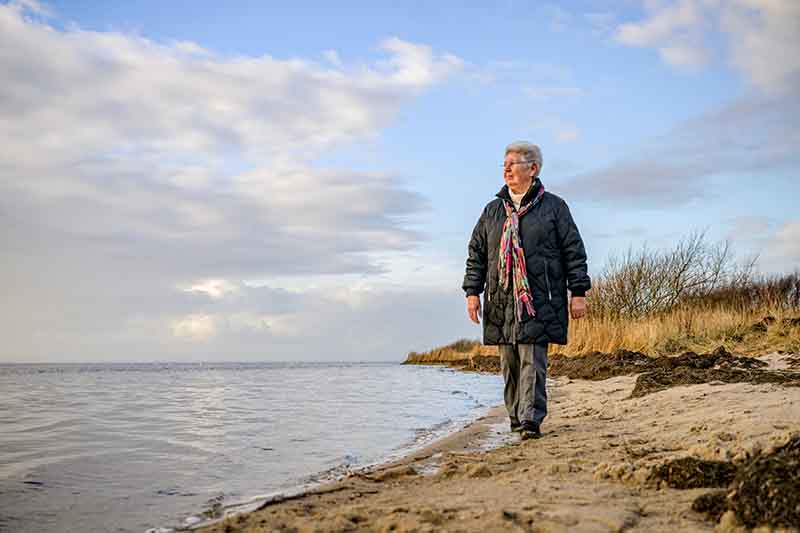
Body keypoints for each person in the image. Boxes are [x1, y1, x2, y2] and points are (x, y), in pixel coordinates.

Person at [462, 141, 590, 440]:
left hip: (539, 298)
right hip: (501, 299)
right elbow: (477, 253)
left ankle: (531, 421)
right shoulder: (492, 210)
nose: (506, 168)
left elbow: (573, 250)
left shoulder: (554, 207)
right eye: (504, 163)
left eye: (514, 163)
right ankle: (516, 419)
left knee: (533, 360)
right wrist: (472, 292)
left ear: (533, 169)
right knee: (510, 365)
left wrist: (579, 291)